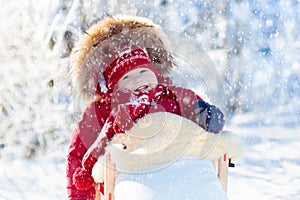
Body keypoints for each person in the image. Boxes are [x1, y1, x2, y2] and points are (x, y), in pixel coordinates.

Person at [66, 15, 225, 200]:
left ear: (155, 73)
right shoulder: (103, 110)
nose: (138, 79)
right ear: (112, 86)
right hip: (135, 175)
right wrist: (81, 195)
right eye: (126, 77)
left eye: (143, 71)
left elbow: (194, 107)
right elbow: (78, 154)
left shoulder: (171, 96)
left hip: (183, 168)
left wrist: (206, 115)